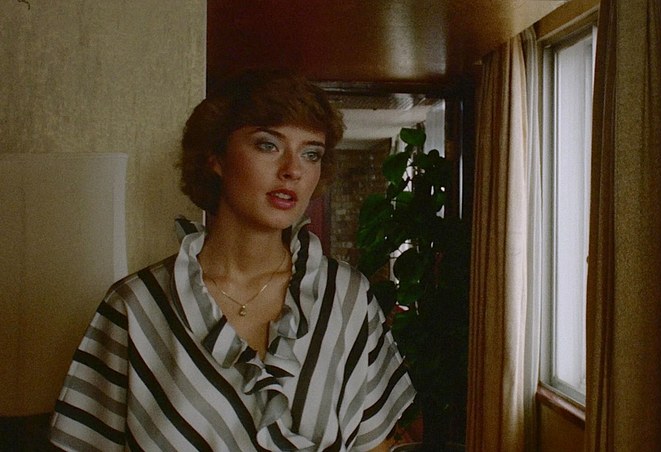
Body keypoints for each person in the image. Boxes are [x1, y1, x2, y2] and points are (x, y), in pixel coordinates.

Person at [50, 69, 415, 451]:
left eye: (311, 154)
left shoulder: (346, 298)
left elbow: (375, 445)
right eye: (268, 145)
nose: (293, 170)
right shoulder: (137, 308)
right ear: (216, 157)